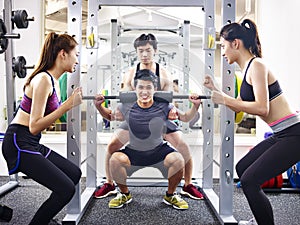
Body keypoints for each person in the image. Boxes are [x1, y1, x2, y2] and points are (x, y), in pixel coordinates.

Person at [204, 19, 300, 225]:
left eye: (223, 46)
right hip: (281, 134)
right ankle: (260, 217)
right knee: (243, 167)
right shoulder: (246, 69)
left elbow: (261, 108)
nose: (223, 52)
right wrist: (215, 90)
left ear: (235, 43)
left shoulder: (257, 65)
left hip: (293, 134)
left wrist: (224, 99)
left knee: (249, 181)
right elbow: (237, 106)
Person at [94, 33, 204, 200]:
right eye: (140, 51)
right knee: (112, 146)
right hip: (137, 116)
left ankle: (187, 185)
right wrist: (115, 110)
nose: (144, 55)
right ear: (136, 52)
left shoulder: (164, 74)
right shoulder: (130, 74)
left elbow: (171, 99)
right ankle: (110, 183)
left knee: (183, 146)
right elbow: (125, 98)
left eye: (148, 51)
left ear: (155, 51)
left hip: (160, 117)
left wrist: (173, 109)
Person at [1, 32, 83, 225]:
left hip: (30, 141)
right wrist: (68, 105)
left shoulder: (53, 81)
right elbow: (34, 125)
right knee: (66, 189)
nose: (77, 60)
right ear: (63, 54)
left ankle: (45, 218)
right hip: (18, 143)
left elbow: (44, 121)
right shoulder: (43, 79)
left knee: (74, 174)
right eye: (76, 54)